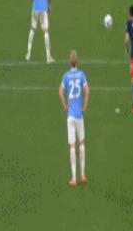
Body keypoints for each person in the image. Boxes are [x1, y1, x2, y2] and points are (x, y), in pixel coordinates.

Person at [59, 50, 89, 187]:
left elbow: (60, 92)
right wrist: (84, 106)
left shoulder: (66, 76)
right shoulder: (81, 75)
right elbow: (87, 91)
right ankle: (82, 175)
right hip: (79, 115)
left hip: (70, 115)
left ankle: (73, 178)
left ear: (69, 63)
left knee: (72, 146)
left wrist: (65, 105)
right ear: (77, 62)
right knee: (81, 144)